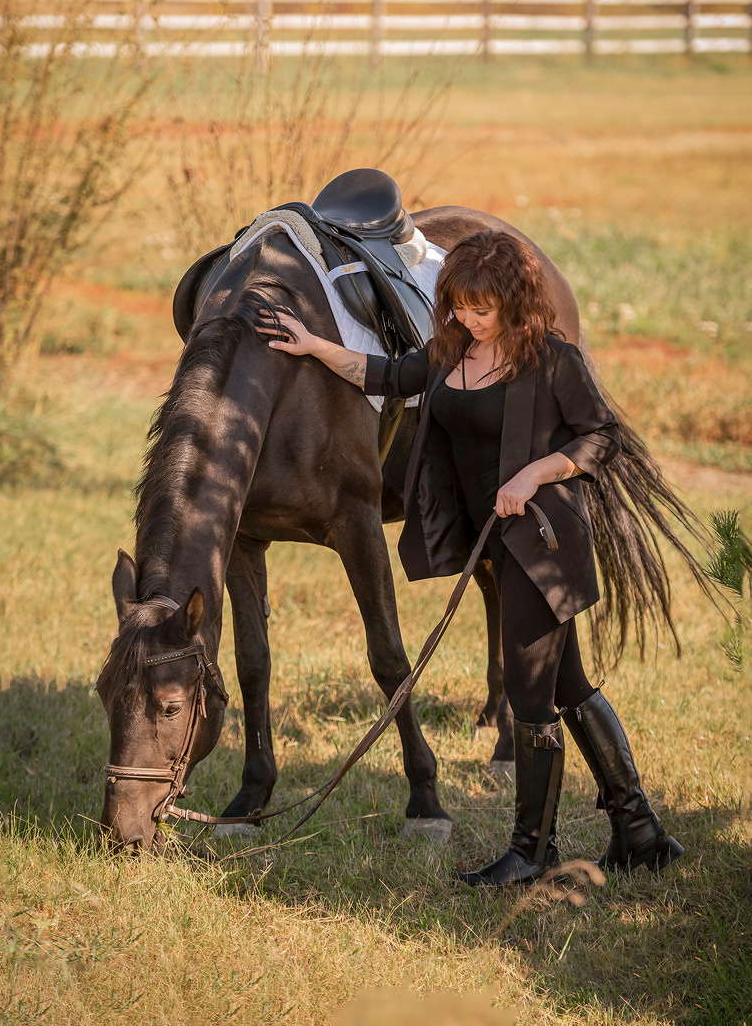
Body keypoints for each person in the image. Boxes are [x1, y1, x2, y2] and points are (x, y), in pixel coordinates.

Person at [258, 229, 683, 886]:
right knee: (567, 685)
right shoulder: (450, 350)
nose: (467, 319)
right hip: (492, 540)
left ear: (515, 303)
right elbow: (387, 374)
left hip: (541, 541)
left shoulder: (552, 359)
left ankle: (531, 853)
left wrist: (535, 474)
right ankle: (640, 831)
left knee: (529, 694)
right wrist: (314, 347)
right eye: (458, 305)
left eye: (482, 309)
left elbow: (602, 439)